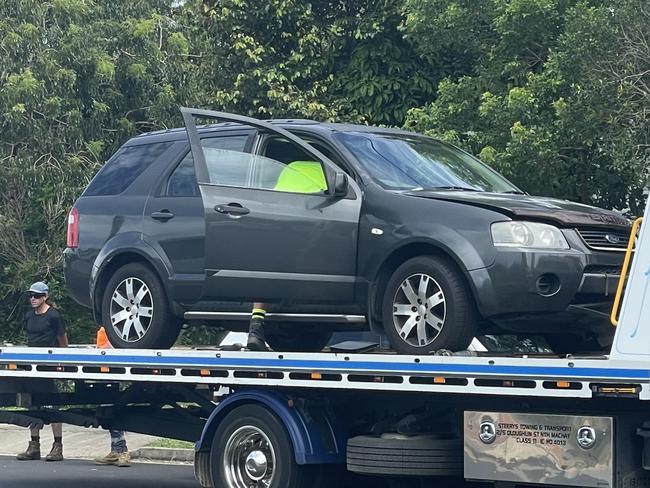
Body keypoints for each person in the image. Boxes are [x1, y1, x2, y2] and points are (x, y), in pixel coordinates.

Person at [16, 281, 68, 462]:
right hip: (32, 366)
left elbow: (62, 340)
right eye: (31, 295)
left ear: (45, 297)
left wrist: (60, 364)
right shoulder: (29, 316)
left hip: (49, 366)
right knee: (33, 405)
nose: (33, 299)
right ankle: (34, 445)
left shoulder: (54, 316)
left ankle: (57, 445)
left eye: (37, 296)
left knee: (53, 406)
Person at [93, 326, 131, 467]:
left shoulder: (114, 330)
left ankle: (122, 451)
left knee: (111, 410)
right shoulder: (105, 330)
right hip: (106, 371)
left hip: (111, 371)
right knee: (108, 410)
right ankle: (117, 449)